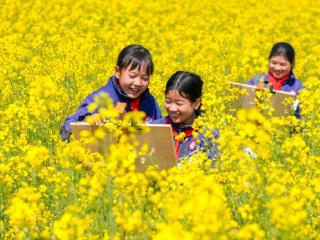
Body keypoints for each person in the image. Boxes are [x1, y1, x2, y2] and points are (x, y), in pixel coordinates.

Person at [61, 44, 162, 141]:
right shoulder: (101, 98)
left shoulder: (150, 102)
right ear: (117, 72)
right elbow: (67, 129)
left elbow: (161, 131)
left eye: (145, 78)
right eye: (132, 76)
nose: (138, 83)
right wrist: (88, 121)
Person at [152, 71, 219, 162]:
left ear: (196, 103)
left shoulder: (208, 135)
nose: (172, 108)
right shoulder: (156, 127)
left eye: (179, 104)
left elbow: (213, 170)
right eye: (168, 101)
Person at [247, 42, 303, 117]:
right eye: (274, 63)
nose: (277, 68)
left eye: (282, 64)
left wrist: (293, 106)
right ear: (269, 60)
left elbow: (302, 117)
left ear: (291, 64)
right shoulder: (256, 80)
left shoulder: (298, 87)